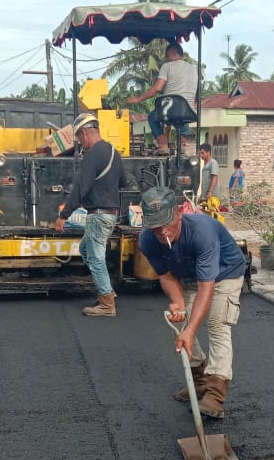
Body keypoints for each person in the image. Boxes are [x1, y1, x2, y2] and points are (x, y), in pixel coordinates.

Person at [139, 189, 246, 419]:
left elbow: (206, 287)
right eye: (154, 225)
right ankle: (198, 380)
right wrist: (177, 302)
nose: (161, 231)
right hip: (187, 276)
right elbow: (166, 275)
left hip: (225, 274)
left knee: (217, 325)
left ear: (179, 213)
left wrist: (191, 329)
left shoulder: (201, 232)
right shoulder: (148, 239)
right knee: (180, 323)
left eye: (166, 223)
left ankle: (215, 394)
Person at [54, 113, 126, 318]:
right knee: (86, 249)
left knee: (95, 258)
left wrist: (63, 216)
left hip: (98, 215)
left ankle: (106, 303)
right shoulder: (113, 152)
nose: (80, 143)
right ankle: (107, 290)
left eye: (79, 138)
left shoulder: (92, 155)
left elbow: (80, 188)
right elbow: (124, 181)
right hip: (111, 214)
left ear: (85, 133)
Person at [125, 43, 198, 156]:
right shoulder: (194, 69)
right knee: (181, 116)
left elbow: (157, 88)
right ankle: (182, 145)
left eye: (167, 56)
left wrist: (138, 99)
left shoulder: (167, 66)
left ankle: (162, 145)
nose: (166, 59)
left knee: (152, 117)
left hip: (171, 110)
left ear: (174, 53)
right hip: (189, 111)